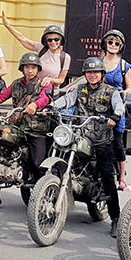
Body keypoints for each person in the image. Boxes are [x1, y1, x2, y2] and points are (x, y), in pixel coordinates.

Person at [52, 57, 124, 238]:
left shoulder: (110, 91)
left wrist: (115, 117)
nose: (92, 75)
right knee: (60, 154)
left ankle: (116, 218)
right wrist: (51, 106)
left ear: (101, 74)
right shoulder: (79, 89)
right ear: (85, 74)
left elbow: (119, 107)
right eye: (89, 72)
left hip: (101, 140)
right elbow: (66, 100)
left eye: (96, 72)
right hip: (80, 136)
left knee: (107, 175)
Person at [0, 53, 53, 185]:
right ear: (22, 68)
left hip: (36, 128)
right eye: (27, 67)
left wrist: (35, 105)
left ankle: (40, 191)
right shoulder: (17, 84)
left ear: (38, 69)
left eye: (33, 67)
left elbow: (45, 98)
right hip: (17, 126)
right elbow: (1, 96)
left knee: (39, 164)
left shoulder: (44, 83)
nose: (30, 70)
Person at [1, 12, 71, 89]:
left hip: (51, 93)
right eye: (50, 40)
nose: (53, 42)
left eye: (56, 39)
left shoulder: (65, 57)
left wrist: (51, 80)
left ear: (61, 40)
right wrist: (7, 26)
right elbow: (23, 39)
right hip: (35, 91)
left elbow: (61, 80)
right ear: (46, 41)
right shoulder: (41, 48)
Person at [100, 29, 131, 189]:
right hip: (98, 105)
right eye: (110, 42)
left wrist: (124, 92)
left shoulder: (124, 65)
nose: (113, 45)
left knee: (118, 143)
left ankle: (121, 178)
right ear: (105, 43)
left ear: (121, 46)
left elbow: (129, 88)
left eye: (116, 43)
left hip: (116, 107)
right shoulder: (98, 61)